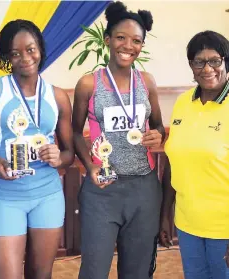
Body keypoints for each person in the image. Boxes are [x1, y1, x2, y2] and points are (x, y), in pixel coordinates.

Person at [160, 30, 229, 279]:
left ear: (226, 62)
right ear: (191, 65)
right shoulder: (183, 103)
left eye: (215, 61)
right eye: (199, 61)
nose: (207, 68)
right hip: (190, 226)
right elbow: (173, 161)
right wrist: (165, 213)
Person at [0, 19, 74, 279]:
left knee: (41, 275)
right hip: (7, 198)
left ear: (40, 49)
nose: (25, 58)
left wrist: (57, 157)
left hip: (48, 196)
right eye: (15, 53)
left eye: (30, 49)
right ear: (6, 57)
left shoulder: (57, 96)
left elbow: (70, 153)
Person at [72, 2, 164, 278]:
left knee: (137, 271)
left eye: (136, 40)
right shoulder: (89, 83)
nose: (128, 45)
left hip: (144, 188)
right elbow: (75, 132)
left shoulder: (146, 82)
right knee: (94, 271)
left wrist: (158, 134)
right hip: (103, 190)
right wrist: (90, 167)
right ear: (108, 39)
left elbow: (159, 125)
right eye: (121, 38)